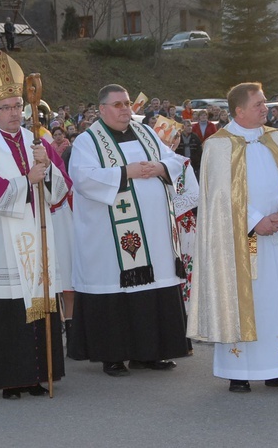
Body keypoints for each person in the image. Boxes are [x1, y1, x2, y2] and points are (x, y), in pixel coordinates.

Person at [187, 82, 278, 393]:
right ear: (239, 111)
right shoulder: (218, 145)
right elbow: (217, 198)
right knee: (245, 301)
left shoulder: (277, 138)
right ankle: (238, 372)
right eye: (258, 104)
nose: (265, 108)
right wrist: (255, 221)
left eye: (264, 102)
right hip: (242, 242)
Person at [0, 50, 71, 399]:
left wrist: (48, 168)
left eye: (17, 106)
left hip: (39, 239)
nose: (13, 113)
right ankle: (10, 378)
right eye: (5, 107)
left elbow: (61, 190)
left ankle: (38, 374)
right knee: (9, 309)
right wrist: (27, 180)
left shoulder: (39, 141)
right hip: (3, 244)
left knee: (39, 303)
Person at [68, 83, 190, 377]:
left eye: (127, 104)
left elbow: (175, 160)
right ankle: (113, 355)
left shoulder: (146, 133)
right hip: (110, 237)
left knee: (154, 287)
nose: (125, 109)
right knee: (116, 291)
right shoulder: (88, 141)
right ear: (102, 110)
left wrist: (161, 167)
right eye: (119, 104)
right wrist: (126, 172)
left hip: (156, 235)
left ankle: (149, 353)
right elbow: (83, 179)